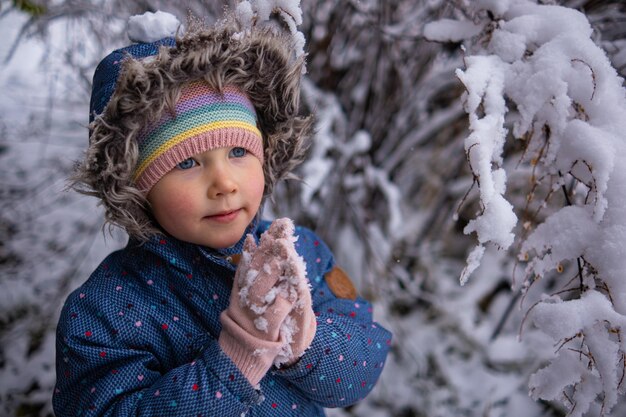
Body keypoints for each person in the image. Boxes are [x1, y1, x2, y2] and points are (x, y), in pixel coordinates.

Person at [53, 9, 391, 417]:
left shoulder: (302, 255)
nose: (224, 183)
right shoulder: (107, 308)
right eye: (186, 163)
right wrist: (236, 360)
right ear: (136, 185)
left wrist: (304, 343)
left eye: (237, 152)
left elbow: (364, 360)